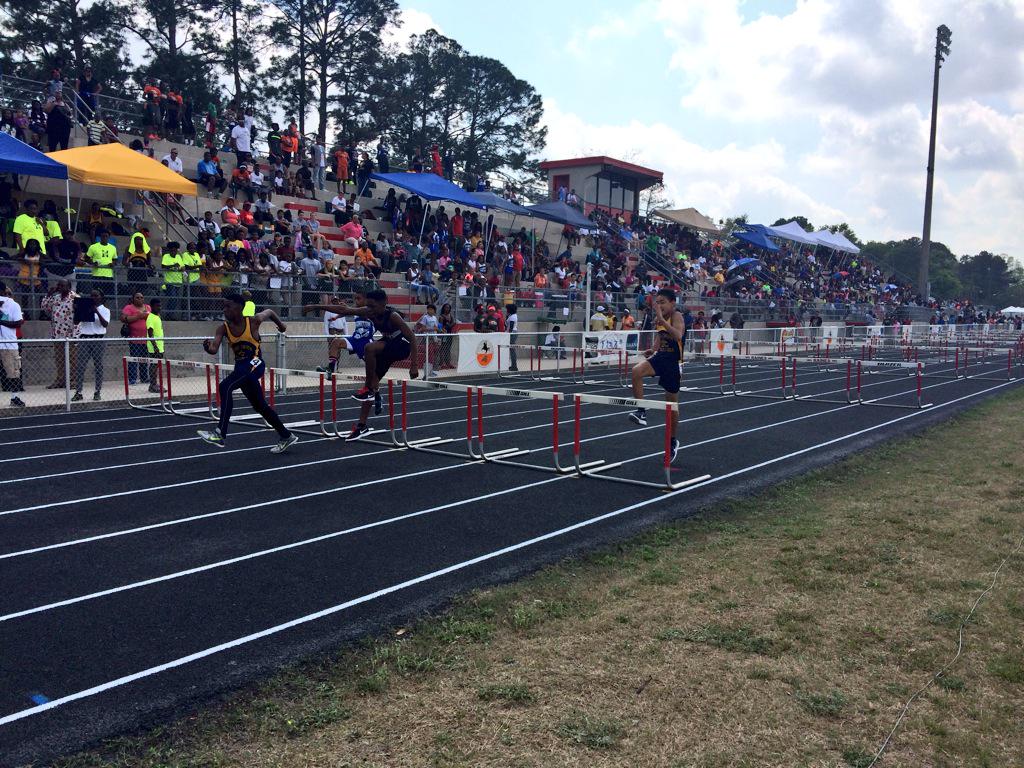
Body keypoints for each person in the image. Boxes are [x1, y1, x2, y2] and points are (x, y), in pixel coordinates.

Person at [304, 289, 418, 441]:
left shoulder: (393, 316)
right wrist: (317, 306)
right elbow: (343, 309)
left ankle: (368, 389)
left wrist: (414, 365)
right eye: (368, 306)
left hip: (401, 347)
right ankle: (361, 425)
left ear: (384, 304)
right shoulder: (369, 312)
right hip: (387, 347)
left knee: (369, 348)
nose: (370, 310)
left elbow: (412, 338)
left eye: (373, 306)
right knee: (371, 382)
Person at [197, 293, 298, 453]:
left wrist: (282, 326)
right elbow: (214, 348)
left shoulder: (253, 321)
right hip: (241, 368)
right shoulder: (223, 328)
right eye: (223, 306)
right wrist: (207, 348)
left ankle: (219, 433)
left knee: (225, 387)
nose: (225, 310)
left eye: (228, 306)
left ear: (239, 308)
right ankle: (286, 435)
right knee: (260, 407)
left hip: (255, 363)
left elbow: (270, 312)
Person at [628, 289, 683, 462]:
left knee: (671, 405)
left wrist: (661, 320)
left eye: (663, 302)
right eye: (657, 302)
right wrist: (652, 349)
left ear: (672, 303)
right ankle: (641, 411)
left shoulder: (677, 316)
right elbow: (660, 339)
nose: (659, 305)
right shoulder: (659, 320)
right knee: (636, 371)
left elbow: (677, 335)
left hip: (673, 363)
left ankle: (673, 441)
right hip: (660, 358)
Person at [74, 288, 109, 401]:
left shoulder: (105, 310)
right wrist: (78, 311)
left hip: (98, 339)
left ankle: (97, 391)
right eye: (92, 296)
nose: (93, 298)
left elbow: (105, 324)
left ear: (101, 297)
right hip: (85, 338)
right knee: (80, 366)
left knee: (98, 366)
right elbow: (76, 322)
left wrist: (96, 311)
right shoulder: (85, 307)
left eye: (96, 296)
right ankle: (78, 392)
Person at [0, 281, 26, 407]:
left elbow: (18, 323)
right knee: (13, 372)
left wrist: (1, 321)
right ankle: (15, 397)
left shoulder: (12, 305)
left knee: (13, 372)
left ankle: (14, 397)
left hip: (8, 343)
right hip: (7, 344)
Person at [121, 292, 151, 385]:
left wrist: (147, 316)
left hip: (146, 339)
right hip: (134, 338)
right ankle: (132, 378)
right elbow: (123, 318)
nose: (140, 299)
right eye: (137, 297)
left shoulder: (148, 307)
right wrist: (138, 316)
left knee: (144, 359)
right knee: (134, 359)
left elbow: (154, 317)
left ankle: (144, 378)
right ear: (133, 299)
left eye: (141, 297)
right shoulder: (129, 307)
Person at [146, 297, 165, 393]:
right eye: (157, 306)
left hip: (160, 346)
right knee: (153, 366)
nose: (159, 307)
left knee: (156, 366)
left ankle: (155, 384)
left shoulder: (157, 316)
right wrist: (155, 347)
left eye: (160, 305)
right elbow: (150, 333)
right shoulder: (150, 317)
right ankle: (152, 385)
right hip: (154, 348)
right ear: (152, 306)